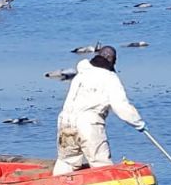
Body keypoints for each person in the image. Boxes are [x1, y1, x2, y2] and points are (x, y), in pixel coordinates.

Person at [54, 45, 145, 176]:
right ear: (111, 59)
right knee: (101, 164)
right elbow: (121, 106)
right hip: (88, 124)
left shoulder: (81, 73)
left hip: (65, 121)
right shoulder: (109, 78)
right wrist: (138, 123)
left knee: (67, 161)